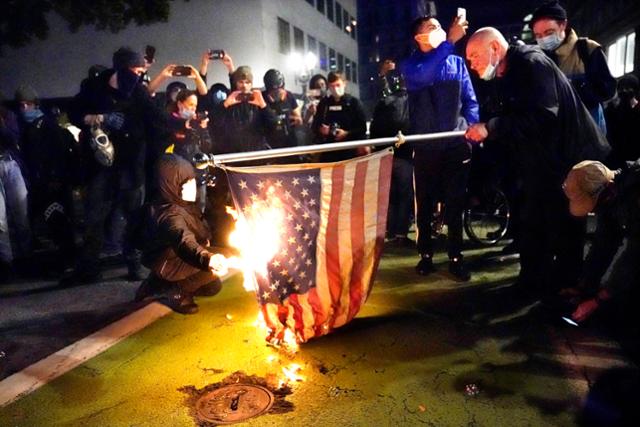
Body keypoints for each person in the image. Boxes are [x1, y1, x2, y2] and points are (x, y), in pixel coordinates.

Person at [465, 27, 610, 296]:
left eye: (475, 56)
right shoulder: (505, 74)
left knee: (564, 226)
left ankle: (564, 289)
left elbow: (544, 116)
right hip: (543, 162)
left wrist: (491, 127)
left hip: (569, 158)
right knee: (535, 223)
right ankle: (534, 283)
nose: (472, 64)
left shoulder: (531, 64)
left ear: (495, 48)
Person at [66, 46, 169, 284]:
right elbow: (74, 111)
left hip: (131, 166)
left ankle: (134, 262)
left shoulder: (139, 92)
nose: (138, 74)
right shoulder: (94, 87)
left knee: (134, 216)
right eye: (134, 69)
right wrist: (96, 117)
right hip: (102, 165)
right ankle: (89, 268)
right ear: (121, 68)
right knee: (94, 217)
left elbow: (158, 123)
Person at [400, 14, 477, 281]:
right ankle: (426, 255)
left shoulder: (456, 63)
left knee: (455, 203)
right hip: (425, 146)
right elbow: (424, 75)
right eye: (432, 28)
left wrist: (472, 128)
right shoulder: (411, 66)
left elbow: (470, 99)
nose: (440, 31)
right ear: (418, 37)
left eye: (440, 27)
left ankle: (456, 256)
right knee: (424, 201)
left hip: (456, 144)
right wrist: (450, 42)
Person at [136, 154, 228, 314]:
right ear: (174, 184)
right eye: (187, 182)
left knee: (213, 287)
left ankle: (156, 284)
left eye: (193, 180)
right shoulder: (170, 214)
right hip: (170, 259)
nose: (194, 186)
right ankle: (177, 292)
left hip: (170, 258)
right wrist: (208, 259)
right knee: (225, 258)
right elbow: (183, 241)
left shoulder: (175, 201)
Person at [561, 160, 640, 322]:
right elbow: (603, 243)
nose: (595, 211)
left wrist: (598, 300)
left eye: (595, 205)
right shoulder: (610, 197)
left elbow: (634, 256)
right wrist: (583, 287)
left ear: (609, 188)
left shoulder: (634, 196)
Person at [14, 84, 77, 271]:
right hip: (41, 181)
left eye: (28, 104)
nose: (25, 108)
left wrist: (55, 178)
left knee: (59, 218)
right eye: (21, 105)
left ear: (35, 104)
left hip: (53, 182)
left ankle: (68, 258)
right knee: (53, 220)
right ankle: (64, 256)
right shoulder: (30, 127)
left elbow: (58, 154)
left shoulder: (47, 126)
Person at [530, 0, 616, 134]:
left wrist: (575, 90)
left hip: (587, 135)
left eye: (549, 32)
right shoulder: (536, 57)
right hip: (553, 136)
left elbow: (608, 90)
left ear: (563, 24)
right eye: (538, 35)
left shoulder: (587, 49)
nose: (543, 39)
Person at [369, 67, 412, 246]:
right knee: (404, 195)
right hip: (404, 154)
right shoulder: (412, 102)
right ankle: (401, 234)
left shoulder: (384, 102)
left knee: (390, 195)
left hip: (384, 154)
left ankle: (390, 231)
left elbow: (373, 129)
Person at [0, 95, 30, 278]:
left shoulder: (7, 115)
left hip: (9, 163)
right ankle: (6, 262)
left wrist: (1, 124)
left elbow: (13, 139)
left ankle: (25, 256)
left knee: (21, 212)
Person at [311, 71, 367, 162]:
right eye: (332, 86)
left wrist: (346, 133)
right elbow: (314, 126)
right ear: (328, 86)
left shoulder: (354, 103)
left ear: (344, 84)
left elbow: (362, 128)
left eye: (338, 85)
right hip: (328, 151)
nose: (335, 89)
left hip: (349, 151)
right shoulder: (324, 104)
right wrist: (321, 130)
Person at [261, 69, 302, 151]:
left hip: (289, 141)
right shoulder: (262, 98)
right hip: (270, 143)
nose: (278, 92)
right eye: (274, 90)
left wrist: (297, 120)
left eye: (280, 88)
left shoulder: (289, 96)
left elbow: (299, 119)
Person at [605, 74, 640, 169]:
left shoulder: (636, 110)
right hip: (617, 157)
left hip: (633, 158)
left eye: (628, 88)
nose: (624, 91)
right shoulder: (612, 110)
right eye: (622, 88)